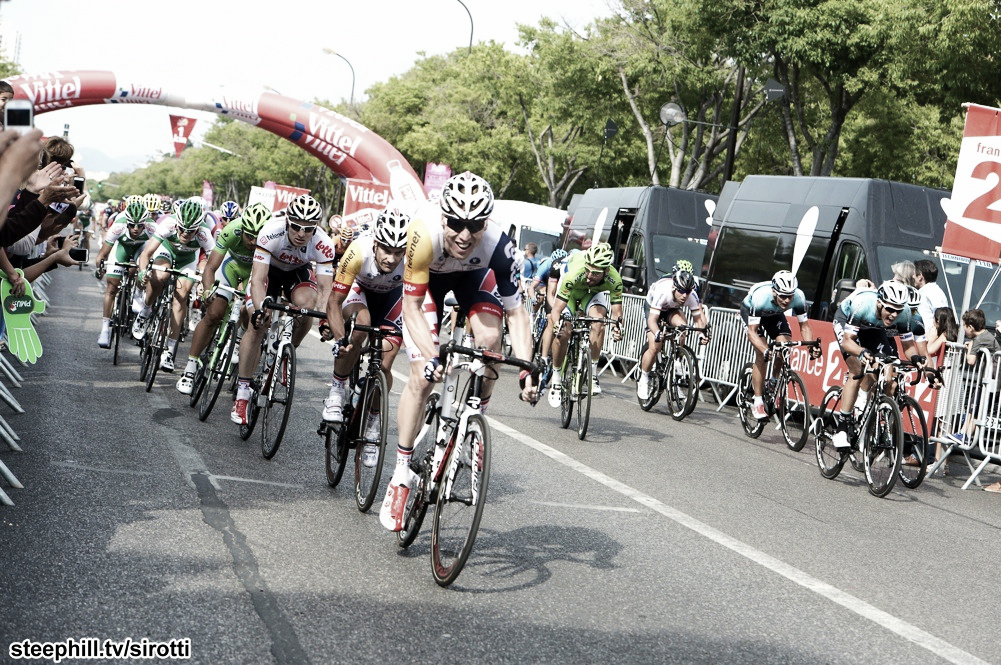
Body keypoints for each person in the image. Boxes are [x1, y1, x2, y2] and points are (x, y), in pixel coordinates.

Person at [379, 171, 535, 532]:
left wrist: (527, 368)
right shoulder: (422, 231)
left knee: (491, 342)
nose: (465, 235)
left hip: (473, 280)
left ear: (486, 222)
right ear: (443, 217)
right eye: (457, 224)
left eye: (475, 225)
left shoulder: (498, 242)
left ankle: (475, 416)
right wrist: (431, 355)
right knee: (422, 376)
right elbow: (413, 307)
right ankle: (401, 475)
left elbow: (516, 312)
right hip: (428, 287)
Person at [231, 194, 335, 425]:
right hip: (269, 272)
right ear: (288, 221)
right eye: (297, 227)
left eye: (308, 229)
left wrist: (325, 320)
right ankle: (242, 393)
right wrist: (259, 309)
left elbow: (326, 288)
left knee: (307, 307)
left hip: (296, 273)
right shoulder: (271, 231)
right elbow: (258, 279)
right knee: (258, 324)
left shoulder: (324, 243)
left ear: (315, 229)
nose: (301, 233)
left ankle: (287, 351)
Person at [320, 208, 410, 467]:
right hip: (359, 293)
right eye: (386, 250)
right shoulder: (358, 251)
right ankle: (337, 390)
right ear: (376, 243)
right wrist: (340, 340)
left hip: (392, 298)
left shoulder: (412, 260)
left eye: (398, 253)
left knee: (386, 359)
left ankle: (372, 420)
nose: (392, 259)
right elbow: (334, 302)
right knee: (362, 325)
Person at [175, 203, 271, 394]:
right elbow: (210, 268)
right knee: (214, 314)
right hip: (230, 267)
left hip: (255, 273)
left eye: (257, 237)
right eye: (249, 235)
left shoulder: (270, 240)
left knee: (250, 312)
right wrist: (208, 291)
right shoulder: (231, 230)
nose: (252, 241)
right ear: (242, 229)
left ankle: (239, 341)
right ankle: (190, 368)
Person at [831, 280, 926, 449]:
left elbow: (908, 346)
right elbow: (847, 342)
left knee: (886, 365)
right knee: (857, 369)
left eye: (897, 311)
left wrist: (916, 359)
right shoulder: (863, 305)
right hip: (847, 321)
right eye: (889, 309)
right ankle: (842, 427)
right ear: (879, 302)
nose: (893, 315)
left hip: (874, 328)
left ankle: (870, 413)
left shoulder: (904, 313)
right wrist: (861, 352)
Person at [132, 199, 215, 372]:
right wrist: (142, 272)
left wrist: (204, 285)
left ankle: (169, 351)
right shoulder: (168, 224)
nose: (185, 233)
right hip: (166, 251)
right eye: (182, 228)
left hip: (188, 260)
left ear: (198, 228)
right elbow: (147, 253)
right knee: (160, 275)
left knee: (182, 297)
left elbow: (213, 264)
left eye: (190, 231)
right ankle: (145, 311)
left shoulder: (204, 234)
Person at [540, 242, 624, 404]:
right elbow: (556, 310)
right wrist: (557, 325)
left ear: (606, 270)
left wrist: (617, 327)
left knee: (599, 321)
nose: (589, 276)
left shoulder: (615, 279)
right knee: (563, 330)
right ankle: (556, 379)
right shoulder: (575, 273)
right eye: (588, 270)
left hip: (592, 294)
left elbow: (617, 313)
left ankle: (592, 374)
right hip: (570, 294)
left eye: (595, 273)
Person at [741, 271, 822, 420]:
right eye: (782, 296)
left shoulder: (798, 297)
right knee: (761, 354)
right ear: (774, 291)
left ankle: (773, 382)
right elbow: (752, 332)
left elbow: (804, 326)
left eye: (789, 296)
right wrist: (765, 350)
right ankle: (757, 402)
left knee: (785, 347)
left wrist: (811, 347)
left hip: (774, 314)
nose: (786, 301)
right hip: (752, 313)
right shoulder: (761, 297)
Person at [636, 269, 709, 400]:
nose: (684, 295)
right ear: (674, 287)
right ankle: (644, 377)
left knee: (682, 326)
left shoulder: (691, 296)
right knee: (655, 346)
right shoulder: (662, 292)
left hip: (672, 309)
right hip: (653, 309)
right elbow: (652, 320)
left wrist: (701, 335)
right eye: (681, 291)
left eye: (687, 292)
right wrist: (658, 333)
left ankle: (676, 361)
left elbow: (698, 320)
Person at [93, 200, 157, 348]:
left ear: (145, 223)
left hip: (141, 249)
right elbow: (103, 254)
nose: (135, 229)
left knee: (142, 269)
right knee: (111, 288)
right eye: (132, 225)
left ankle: (137, 295)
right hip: (121, 248)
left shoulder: (152, 227)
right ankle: (104, 330)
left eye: (140, 225)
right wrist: (100, 268)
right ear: (126, 222)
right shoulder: (118, 226)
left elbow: (157, 252)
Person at [949, 309, 1001, 459]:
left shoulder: (979, 339)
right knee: (974, 407)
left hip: (991, 381)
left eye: (964, 326)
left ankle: (965, 435)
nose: (963, 330)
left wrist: (969, 348)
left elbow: (971, 361)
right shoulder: (987, 336)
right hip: (990, 380)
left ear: (970, 327)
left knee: (975, 408)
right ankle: (963, 433)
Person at [913, 259, 949, 330]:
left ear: (920, 276)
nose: (912, 276)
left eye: (913, 273)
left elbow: (941, 321)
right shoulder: (923, 291)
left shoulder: (933, 292)